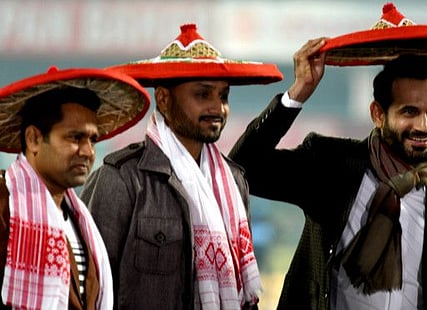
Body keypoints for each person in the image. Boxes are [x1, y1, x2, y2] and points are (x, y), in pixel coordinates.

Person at [228, 37, 427, 309]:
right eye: (409, 112)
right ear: (378, 114)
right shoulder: (331, 165)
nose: (423, 126)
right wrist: (298, 93)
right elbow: (244, 167)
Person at [80, 24, 283, 309]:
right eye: (203, 95)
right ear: (163, 99)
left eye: (223, 96)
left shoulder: (234, 182)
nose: (218, 108)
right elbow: (89, 288)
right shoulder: (121, 179)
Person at [0, 66, 150, 309]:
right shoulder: (6, 205)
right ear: (34, 139)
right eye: (75, 138)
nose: (88, 152)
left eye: (93, 139)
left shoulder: (81, 219)